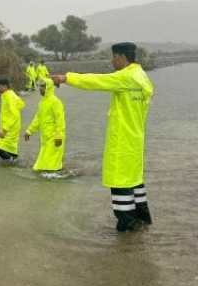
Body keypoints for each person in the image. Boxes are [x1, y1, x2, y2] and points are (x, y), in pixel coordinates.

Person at [52, 42, 154, 232]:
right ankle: (142, 220)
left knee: (120, 181)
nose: (112, 61)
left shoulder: (126, 77)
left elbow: (96, 81)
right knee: (134, 180)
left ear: (122, 57)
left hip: (122, 140)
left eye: (114, 57)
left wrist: (67, 78)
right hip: (136, 138)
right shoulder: (143, 77)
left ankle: (127, 228)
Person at [24, 77, 66, 177]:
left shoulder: (56, 102)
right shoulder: (42, 103)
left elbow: (60, 121)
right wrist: (29, 131)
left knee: (51, 169)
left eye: (43, 86)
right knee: (40, 168)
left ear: (49, 87)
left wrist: (58, 136)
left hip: (55, 139)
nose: (40, 89)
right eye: (40, 86)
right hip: (45, 140)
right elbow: (37, 119)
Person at [0, 78, 25, 162]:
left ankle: (10, 162)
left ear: (5, 86)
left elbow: (14, 114)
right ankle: (13, 158)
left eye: (0, 86)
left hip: (10, 126)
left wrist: (5, 129)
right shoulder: (6, 95)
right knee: (10, 147)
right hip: (12, 125)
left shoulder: (9, 96)